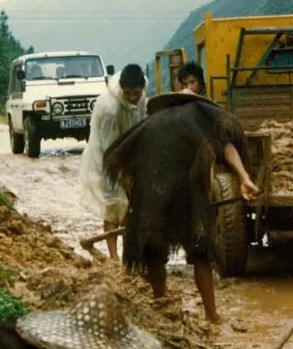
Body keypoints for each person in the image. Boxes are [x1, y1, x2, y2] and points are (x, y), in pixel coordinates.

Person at [103, 93, 259, 323]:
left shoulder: (148, 124)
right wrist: (244, 177)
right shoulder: (200, 114)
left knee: (153, 249)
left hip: (151, 198)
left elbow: (122, 163)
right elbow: (226, 147)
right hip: (188, 201)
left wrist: (135, 203)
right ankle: (212, 315)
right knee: (200, 252)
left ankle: (161, 305)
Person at [79, 64, 148, 259]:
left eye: (136, 93)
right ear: (121, 88)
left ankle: (129, 255)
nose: (133, 97)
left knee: (129, 206)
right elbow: (111, 149)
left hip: (130, 151)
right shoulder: (110, 108)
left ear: (142, 86)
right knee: (113, 206)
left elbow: (142, 125)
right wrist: (122, 175)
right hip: (105, 156)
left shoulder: (142, 97)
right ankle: (113, 257)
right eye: (128, 93)